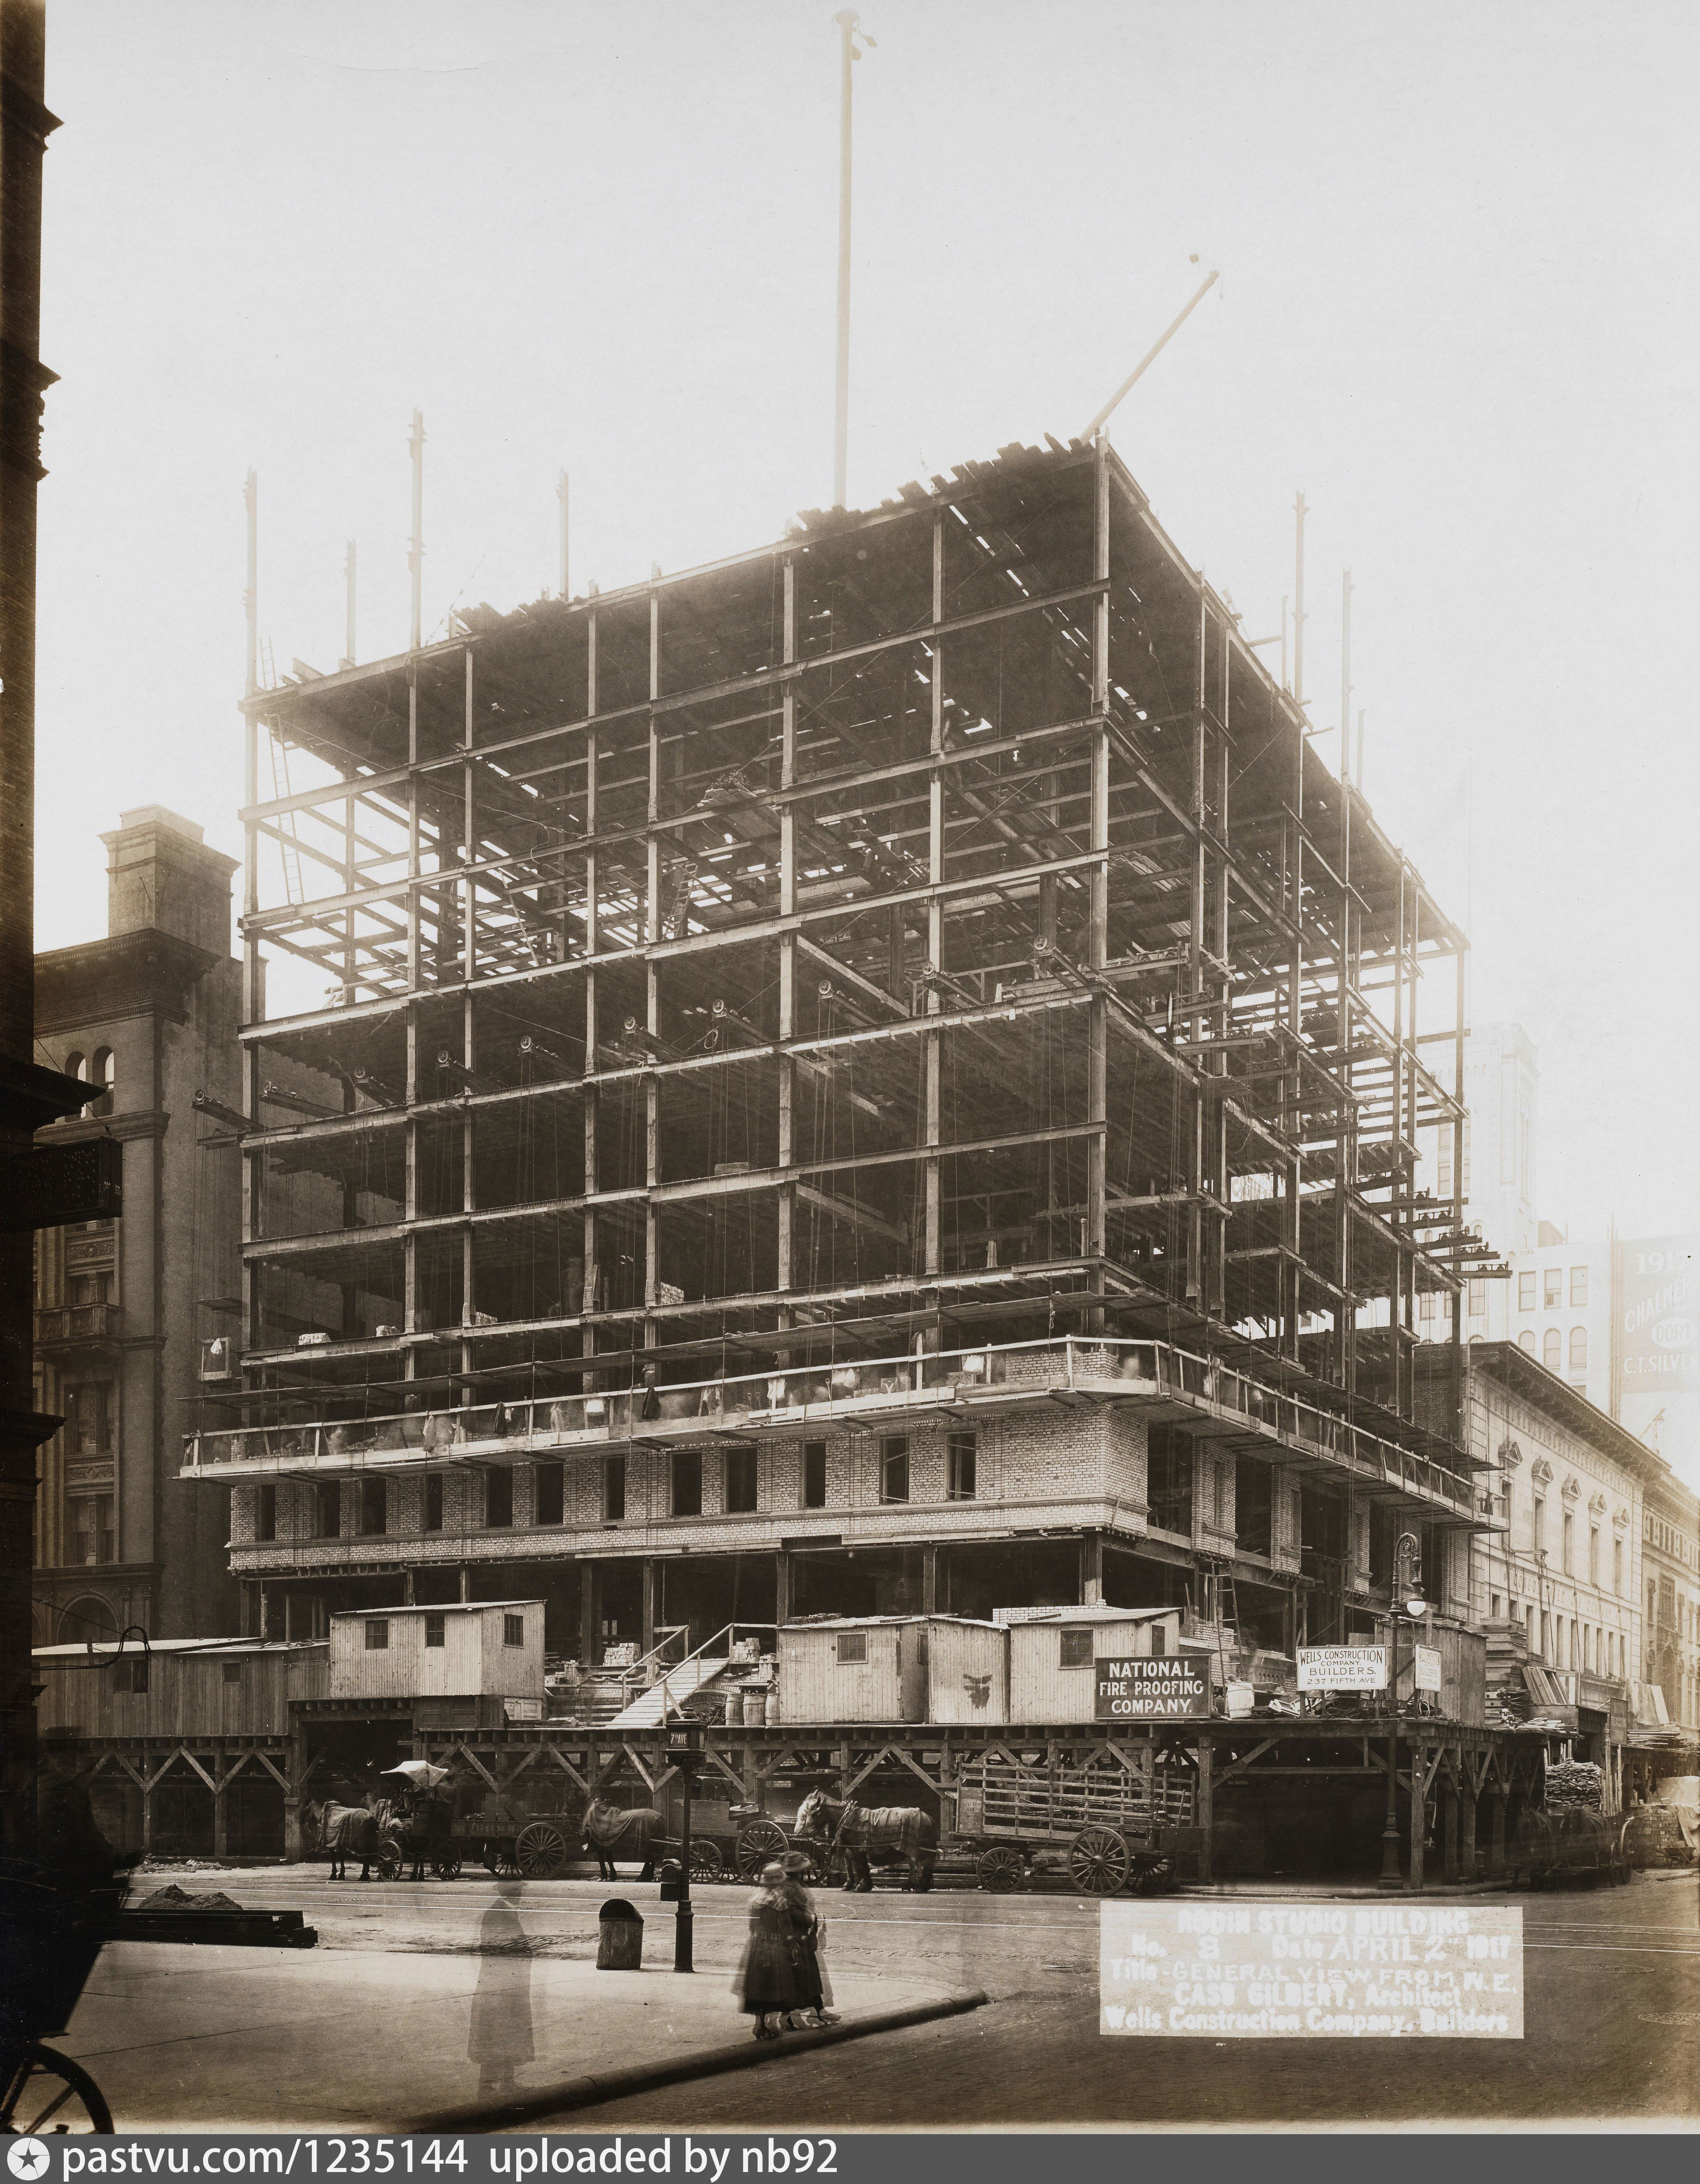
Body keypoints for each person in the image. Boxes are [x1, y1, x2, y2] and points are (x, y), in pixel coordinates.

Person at [733, 1862, 807, 2039]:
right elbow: (786, 1928)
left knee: (759, 1985)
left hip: (758, 1945)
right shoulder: (780, 1902)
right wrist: (792, 1943)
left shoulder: (756, 1899)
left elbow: (752, 1926)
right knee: (776, 1985)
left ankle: (760, 2023)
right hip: (775, 1946)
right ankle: (773, 2023)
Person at [776, 1850, 837, 2029]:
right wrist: (813, 1918)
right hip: (799, 1939)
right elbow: (795, 1913)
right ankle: (796, 2016)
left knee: (809, 1978)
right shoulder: (792, 1887)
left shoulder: (791, 1885)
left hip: (802, 1938)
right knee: (803, 1979)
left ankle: (817, 2012)